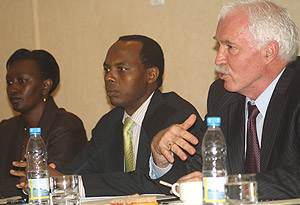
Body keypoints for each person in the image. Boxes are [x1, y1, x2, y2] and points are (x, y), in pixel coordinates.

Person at [12, 35, 204, 196]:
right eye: (106, 69)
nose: (109, 78)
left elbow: (151, 182)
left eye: (121, 69)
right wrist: (45, 178)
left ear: (151, 75)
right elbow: (75, 172)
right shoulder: (108, 123)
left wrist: (69, 182)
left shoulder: (178, 116)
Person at [150, 0, 300, 201]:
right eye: (218, 45)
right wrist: (161, 159)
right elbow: (196, 174)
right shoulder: (222, 95)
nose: (218, 59)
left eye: (230, 47)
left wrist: (226, 187)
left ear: (269, 51)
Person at [0, 49, 87, 197]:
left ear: (45, 86)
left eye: (22, 81)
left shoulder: (67, 125)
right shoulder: (5, 128)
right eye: (9, 82)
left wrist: (27, 183)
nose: (12, 89)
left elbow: (54, 181)